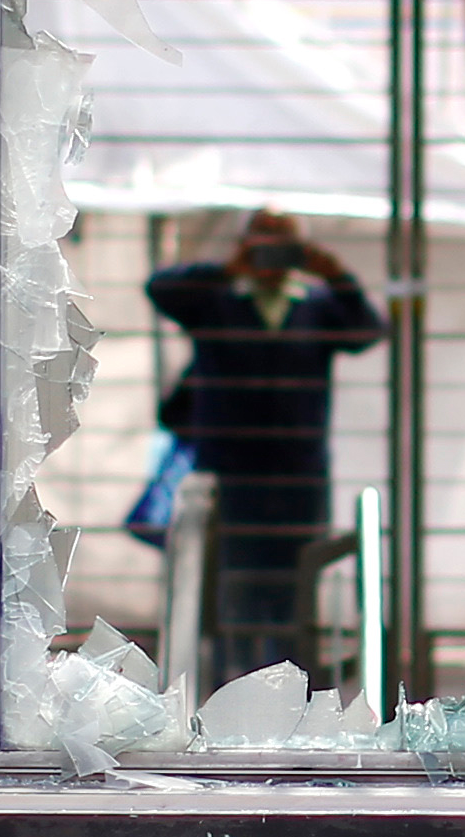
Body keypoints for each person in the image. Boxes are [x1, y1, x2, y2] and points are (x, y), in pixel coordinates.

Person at [145, 209, 384, 683]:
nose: (271, 256)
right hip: (231, 470)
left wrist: (336, 274)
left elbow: (367, 331)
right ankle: (232, 683)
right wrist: (229, 268)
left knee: (295, 586)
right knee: (233, 586)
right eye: (262, 243)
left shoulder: (316, 305)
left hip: (298, 471)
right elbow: (160, 289)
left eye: (282, 245)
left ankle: (292, 683)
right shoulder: (214, 299)